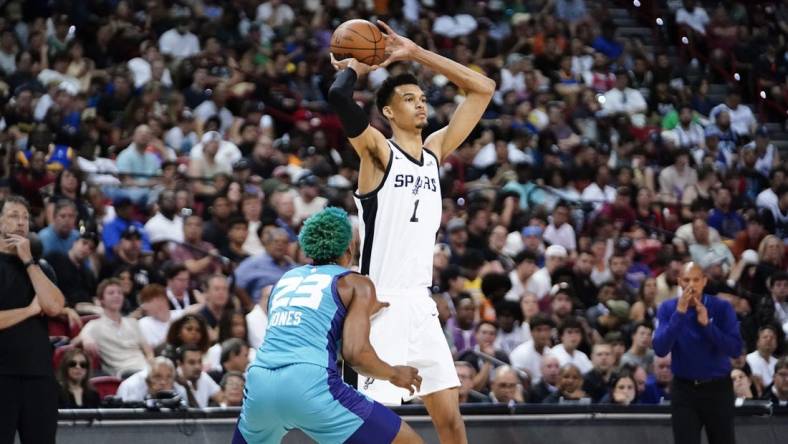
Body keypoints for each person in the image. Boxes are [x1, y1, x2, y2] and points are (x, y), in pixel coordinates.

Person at [328, 20, 495, 444]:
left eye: (422, 99)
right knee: (375, 430)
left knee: (452, 424)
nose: (420, 105)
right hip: (378, 304)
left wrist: (416, 52)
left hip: (421, 304)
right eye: (408, 99)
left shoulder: (435, 153)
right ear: (387, 111)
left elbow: (483, 88)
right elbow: (337, 96)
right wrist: (355, 68)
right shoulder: (378, 153)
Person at [235, 208, 423, 444]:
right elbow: (356, 354)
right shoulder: (356, 283)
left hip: (260, 381)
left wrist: (359, 313)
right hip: (309, 382)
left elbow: (305, 326)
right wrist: (395, 373)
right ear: (349, 248)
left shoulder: (284, 280)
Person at [0, 195, 65, 444]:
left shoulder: (40, 268)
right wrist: (28, 311)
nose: (21, 223)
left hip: (38, 375)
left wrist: (28, 260)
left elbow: (54, 306)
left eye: (25, 218)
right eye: (13, 216)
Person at [653, 262, 742, 444]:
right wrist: (679, 315)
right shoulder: (668, 308)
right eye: (686, 280)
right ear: (679, 282)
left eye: (696, 279)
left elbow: (735, 349)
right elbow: (661, 349)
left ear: (704, 281)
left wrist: (708, 326)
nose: (691, 285)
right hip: (684, 390)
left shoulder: (722, 308)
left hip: (718, 389)